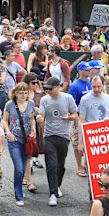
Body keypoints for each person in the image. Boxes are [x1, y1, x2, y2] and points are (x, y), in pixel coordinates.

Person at [36, 77, 78, 206]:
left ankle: (57, 185)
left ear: (57, 87)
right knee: (51, 165)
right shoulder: (44, 100)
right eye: (46, 88)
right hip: (50, 136)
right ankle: (52, 193)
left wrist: (69, 117)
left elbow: (75, 114)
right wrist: (39, 118)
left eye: (50, 88)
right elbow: (41, 115)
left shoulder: (67, 98)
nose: (47, 90)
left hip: (64, 136)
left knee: (60, 165)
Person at [3, 82, 37, 206]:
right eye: (21, 93)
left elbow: (32, 119)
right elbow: (4, 120)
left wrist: (33, 130)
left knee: (23, 167)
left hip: (27, 139)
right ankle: (18, 195)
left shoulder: (31, 104)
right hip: (14, 140)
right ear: (16, 93)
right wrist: (8, 133)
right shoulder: (10, 105)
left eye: (25, 92)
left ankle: (20, 191)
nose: (23, 95)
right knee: (19, 168)